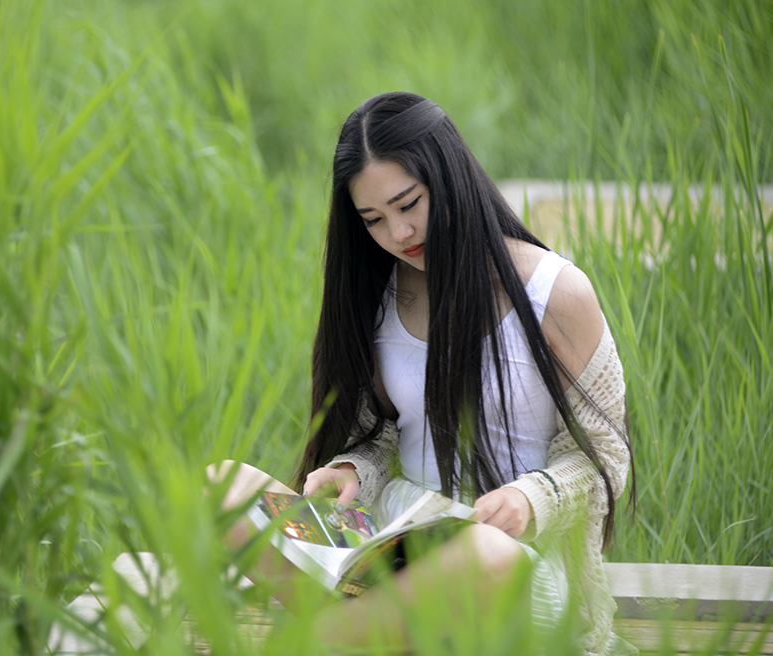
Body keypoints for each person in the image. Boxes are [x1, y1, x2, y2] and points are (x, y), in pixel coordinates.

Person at [212, 91, 634, 655]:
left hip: (512, 567)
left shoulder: (554, 292)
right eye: (374, 220)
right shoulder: (380, 297)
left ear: (448, 175)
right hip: (394, 541)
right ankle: (366, 632)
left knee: (481, 556)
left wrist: (535, 497)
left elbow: (606, 451)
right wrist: (352, 470)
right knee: (226, 487)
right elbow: (385, 434)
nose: (399, 233)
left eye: (409, 204)